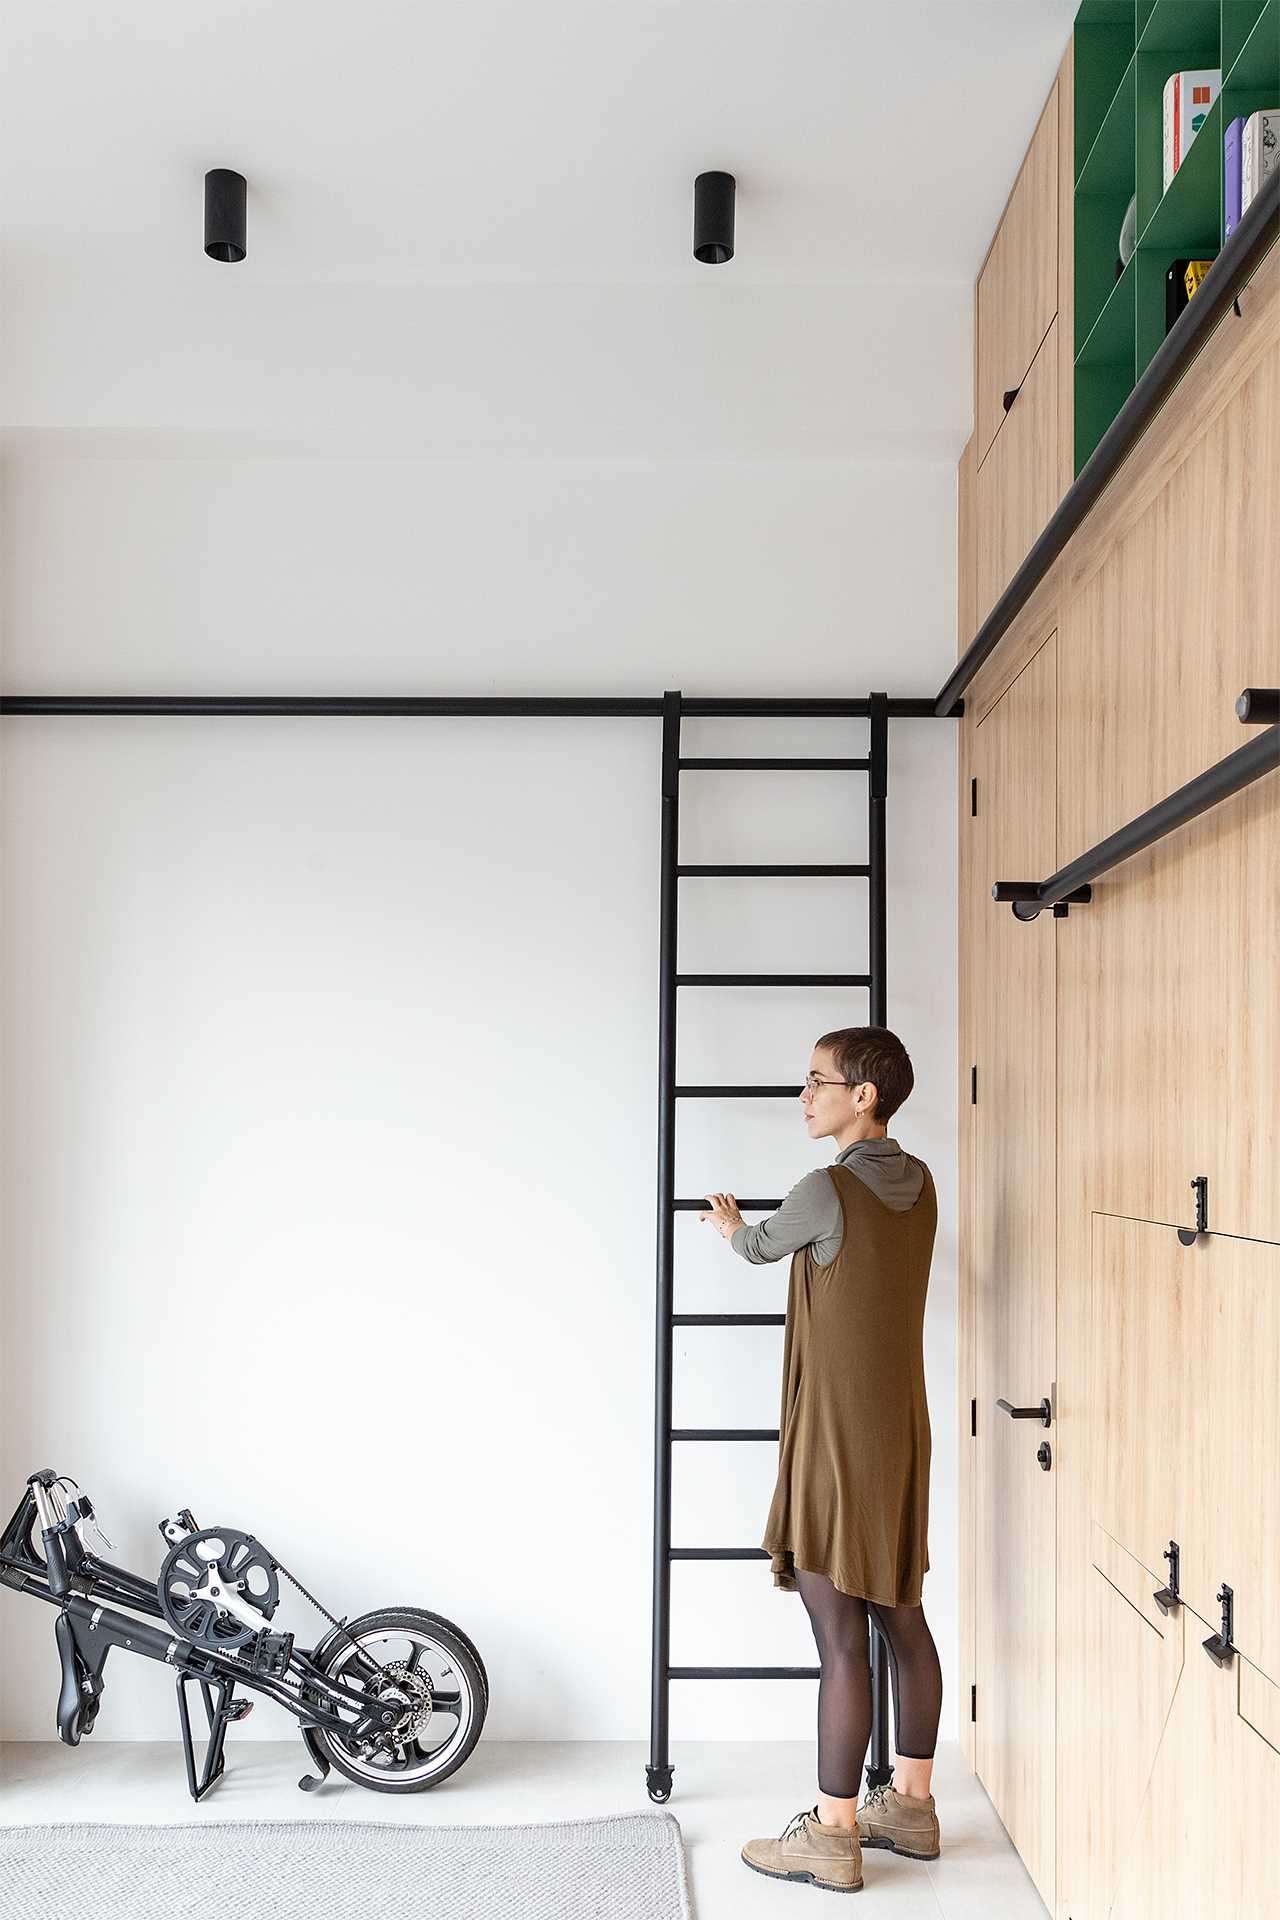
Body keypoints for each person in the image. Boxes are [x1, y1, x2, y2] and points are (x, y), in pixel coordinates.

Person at [698, 1025, 942, 1895]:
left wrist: (730, 1226)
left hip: (834, 1436)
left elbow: (764, 1248)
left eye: (817, 1082)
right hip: (899, 1431)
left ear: (863, 1096)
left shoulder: (827, 1187)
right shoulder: (921, 1185)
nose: (805, 1097)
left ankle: (834, 1832)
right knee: (902, 1620)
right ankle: (910, 1806)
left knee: (839, 1641)